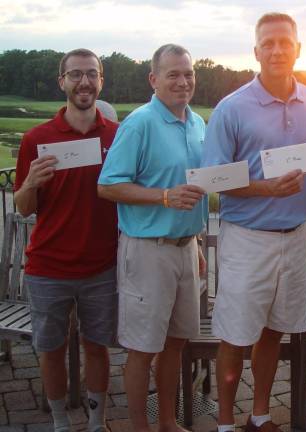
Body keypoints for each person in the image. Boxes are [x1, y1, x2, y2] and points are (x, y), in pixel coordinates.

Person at [202, 12, 306, 432]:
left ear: (297, 48)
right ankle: (225, 423)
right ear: (256, 51)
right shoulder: (231, 108)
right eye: (268, 44)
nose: (277, 51)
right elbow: (214, 180)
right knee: (236, 336)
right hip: (247, 238)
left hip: (297, 237)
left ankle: (258, 416)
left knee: (274, 330)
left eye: (285, 43)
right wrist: (265, 189)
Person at [97, 44, 207, 432]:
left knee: (177, 342)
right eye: (173, 74)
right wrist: (163, 196)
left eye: (188, 74)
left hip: (184, 249)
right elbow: (108, 186)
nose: (182, 81)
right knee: (143, 348)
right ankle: (140, 426)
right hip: (147, 251)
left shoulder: (197, 123)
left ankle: (167, 422)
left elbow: (196, 188)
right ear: (154, 79)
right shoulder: (139, 123)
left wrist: (196, 240)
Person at [14, 48, 119, 432]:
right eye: (75, 74)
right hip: (48, 267)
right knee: (51, 349)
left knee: (97, 346)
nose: (84, 82)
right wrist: (28, 183)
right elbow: (24, 207)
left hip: (100, 266)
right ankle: (60, 422)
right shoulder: (37, 139)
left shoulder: (116, 136)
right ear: (62, 82)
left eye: (92, 74)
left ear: (101, 81)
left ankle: (96, 421)